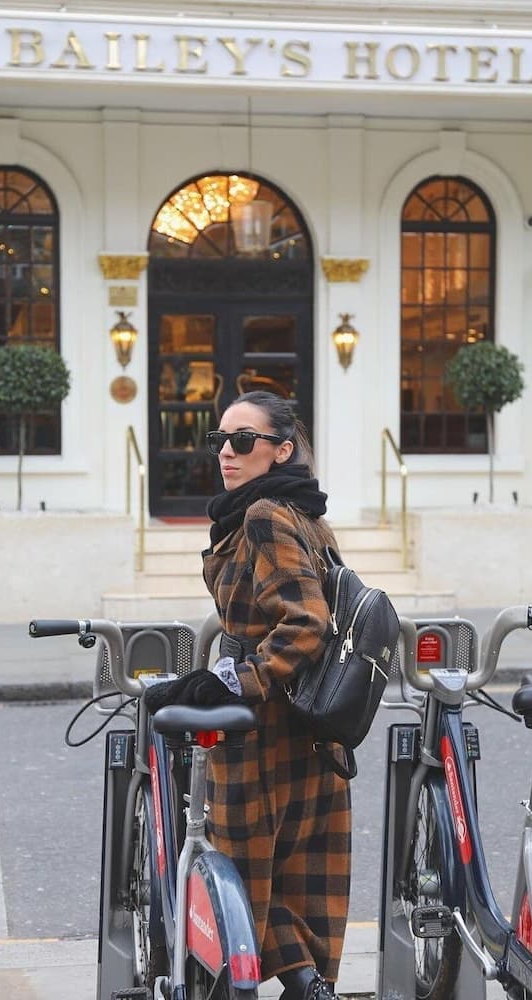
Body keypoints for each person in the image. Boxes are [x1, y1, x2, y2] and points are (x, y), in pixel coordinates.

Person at [144, 391, 351, 1000]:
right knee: (297, 875)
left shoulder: (264, 516)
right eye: (220, 441)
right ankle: (311, 986)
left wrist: (232, 681)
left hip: (261, 727)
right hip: (311, 724)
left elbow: (307, 622)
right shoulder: (302, 511)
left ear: (281, 450)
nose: (226, 454)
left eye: (242, 440)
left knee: (242, 875)